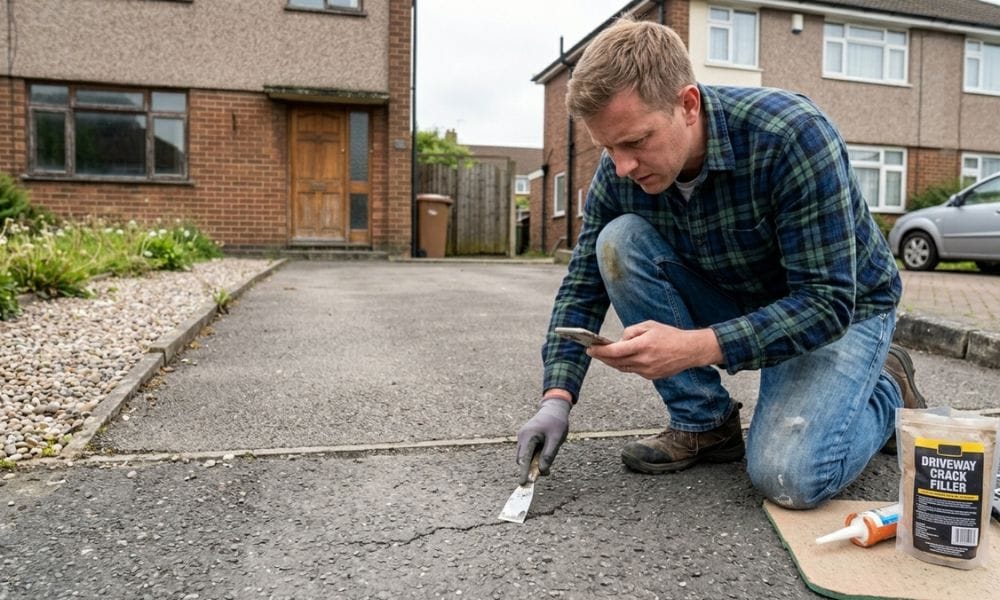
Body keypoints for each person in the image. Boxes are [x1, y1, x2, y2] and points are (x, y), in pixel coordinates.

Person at [515, 18, 926, 510]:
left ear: (688, 104)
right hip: (742, 291)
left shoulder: (791, 136)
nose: (621, 166)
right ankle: (704, 424)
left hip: (842, 310)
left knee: (788, 476)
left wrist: (693, 347)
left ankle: (887, 391)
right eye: (608, 147)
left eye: (636, 142)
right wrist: (555, 399)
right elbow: (583, 283)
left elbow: (827, 301)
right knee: (616, 242)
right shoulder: (620, 171)